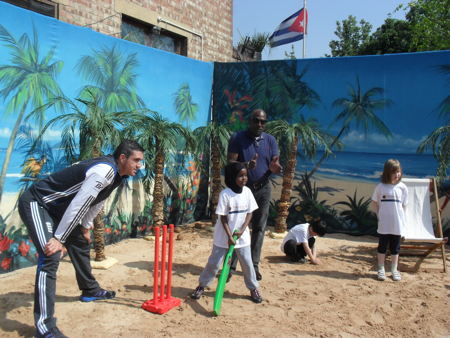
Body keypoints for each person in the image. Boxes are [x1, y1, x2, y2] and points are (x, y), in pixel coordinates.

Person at [18, 139, 145, 338]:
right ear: (122, 158)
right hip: (39, 203)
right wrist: (59, 238)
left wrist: (85, 227)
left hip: (59, 209)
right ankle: (45, 327)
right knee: (50, 255)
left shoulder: (118, 175)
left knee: (79, 242)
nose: (140, 165)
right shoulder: (105, 171)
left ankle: (90, 290)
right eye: (136, 160)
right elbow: (79, 203)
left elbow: (97, 201)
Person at [191, 162, 263, 303]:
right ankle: (202, 286)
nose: (244, 178)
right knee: (214, 263)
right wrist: (229, 236)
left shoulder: (247, 192)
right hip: (223, 237)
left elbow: (250, 213)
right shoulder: (225, 195)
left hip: (242, 238)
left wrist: (242, 230)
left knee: (247, 264)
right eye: (240, 176)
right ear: (232, 177)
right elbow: (223, 218)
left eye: (245, 175)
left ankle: (253, 288)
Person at [227, 108, 282, 281]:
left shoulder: (271, 140)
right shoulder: (238, 138)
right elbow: (230, 163)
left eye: (263, 121)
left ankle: (253, 266)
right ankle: (231, 266)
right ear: (250, 121)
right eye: (256, 120)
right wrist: (245, 165)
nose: (259, 124)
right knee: (239, 228)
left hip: (263, 188)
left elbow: (275, 163)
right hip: (243, 190)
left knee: (259, 228)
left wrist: (276, 168)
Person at [371, 159, 408, 282]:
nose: (397, 174)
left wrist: (403, 221)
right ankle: (381, 268)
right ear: (387, 173)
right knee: (382, 247)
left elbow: (404, 206)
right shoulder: (381, 187)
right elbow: (374, 203)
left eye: (398, 171)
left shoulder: (402, 187)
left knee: (395, 248)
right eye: (393, 172)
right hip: (384, 224)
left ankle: (394, 269)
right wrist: (379, 216)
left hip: (397, 224)